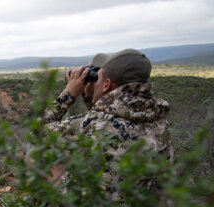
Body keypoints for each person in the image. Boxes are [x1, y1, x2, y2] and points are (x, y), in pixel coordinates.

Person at [44, 48, 173, 162]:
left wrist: (68, 94)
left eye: (97, 77)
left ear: (106, 84)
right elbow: (111, 115)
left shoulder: (89, 125)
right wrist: (89, 96)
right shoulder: (158, 118)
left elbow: (36, 135)